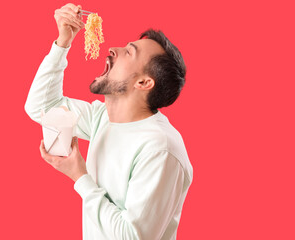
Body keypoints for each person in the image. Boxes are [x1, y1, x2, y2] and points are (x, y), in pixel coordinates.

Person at [24, 3, 193, 240]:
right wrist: (63, 42)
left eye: (129, 52)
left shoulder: (161, 149)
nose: (113, 49)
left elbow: (133, 237)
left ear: (144, 83)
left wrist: (80, 177)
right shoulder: (102, 118)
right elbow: (41, 107)